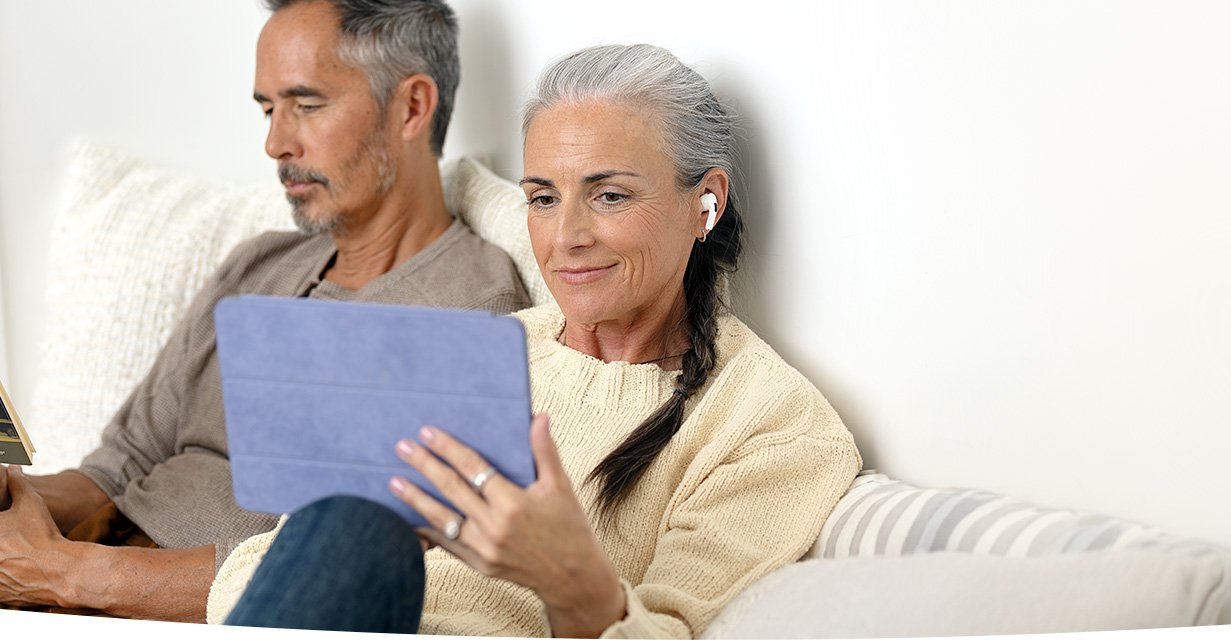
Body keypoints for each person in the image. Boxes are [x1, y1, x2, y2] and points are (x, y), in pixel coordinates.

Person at [203, 44, 863, 637]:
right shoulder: (479, 356)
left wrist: (566, 576)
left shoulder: (771, 426)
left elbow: (668, 631)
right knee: (353, 528)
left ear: (706, 204)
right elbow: (258, 572)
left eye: (607, 196)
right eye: (544, 199)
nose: (566, 236)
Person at [0, 0, 529, 620]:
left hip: (171, 605)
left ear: (411, 106)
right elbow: (120, 465)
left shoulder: (473, 314)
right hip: (69, 571)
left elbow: (354, 567)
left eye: (306, 105)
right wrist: (18, 495)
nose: (276, 142)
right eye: (268, 109)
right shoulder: (259, 265)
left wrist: (71, 576)